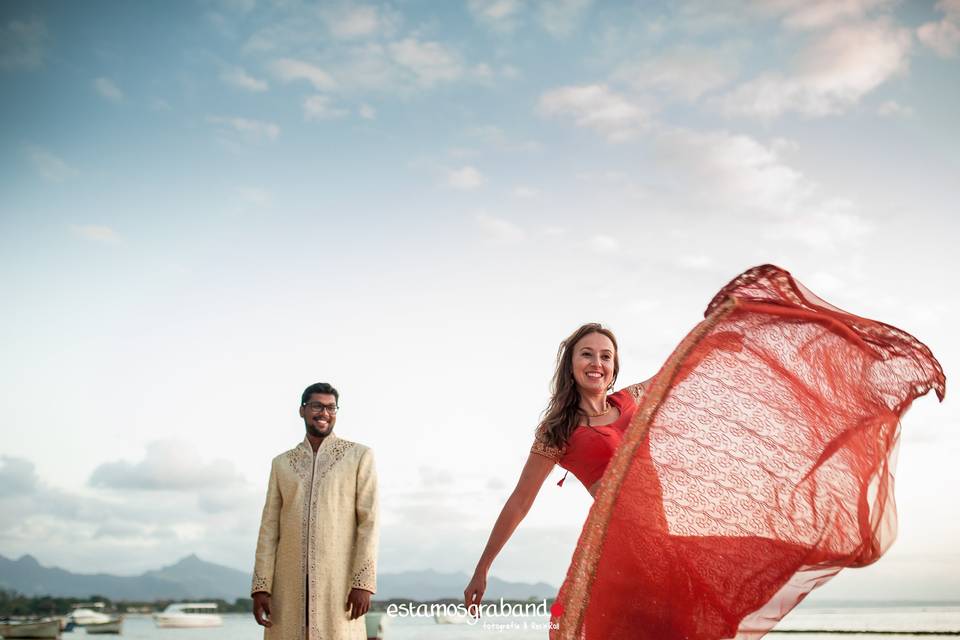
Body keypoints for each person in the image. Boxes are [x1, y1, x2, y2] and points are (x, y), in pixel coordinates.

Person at [465, 264, 945, 640]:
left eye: (605, 355)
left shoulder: (631, 401)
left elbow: (680, 369)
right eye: (586, 354)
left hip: (667, 540)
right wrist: (484, 567)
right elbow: (519, 501)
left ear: (614, 368)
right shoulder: (557, 429)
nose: (596, 362)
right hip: (617, 549)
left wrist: (727, 333)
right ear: (571, 365)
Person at [252, 382, 378, 640]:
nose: (324, 413)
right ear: (302, 410)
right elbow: (269, 528)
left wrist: (363, 583)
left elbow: (369, 522)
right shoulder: (282, 464)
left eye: (331, 407)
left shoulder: (358, 456)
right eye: (317, 406)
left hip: (338, 581)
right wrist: (261, 587)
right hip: (287, 584)